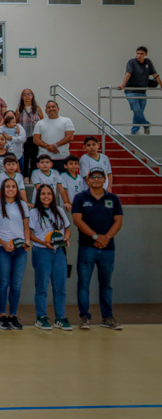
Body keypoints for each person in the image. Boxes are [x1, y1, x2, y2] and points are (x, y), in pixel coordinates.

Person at [71, 167, 124, 330]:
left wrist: (105, 238)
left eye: (100, 176)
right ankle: (84, 317)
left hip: (107, 249)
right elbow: (78, 221)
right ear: (87, 180)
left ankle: (107, 318)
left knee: (106, 285)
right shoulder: (80, 198)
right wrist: (96, 237)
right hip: (88, 248)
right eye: (92, 177)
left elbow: (118, 221)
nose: (96, 179)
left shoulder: (113, 199)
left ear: (104, 179)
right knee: (84, 284)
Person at [29, 184, 72, 331]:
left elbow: (67, 228)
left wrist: (66, 238)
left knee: (60, 285)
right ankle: (41, 317)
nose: (46, 196)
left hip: (59, 251)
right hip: (42, 251)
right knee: (42, 286)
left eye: (49, 193)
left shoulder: (59, 210)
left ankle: (60, 317)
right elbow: (29, 234)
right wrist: (42, 242)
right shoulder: (34, 212)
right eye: (43, 194)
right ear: (38, 197)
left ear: (53, 196)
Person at [0, 178, 31, 330]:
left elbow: (26, 227)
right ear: (2, 189)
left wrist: (27, 241)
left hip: (20, 249)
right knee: (3, 283)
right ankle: (2, 316)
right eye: (7, 186)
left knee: (16, 285)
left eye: (13, 186)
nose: (10, 189)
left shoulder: (23, 206)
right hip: (2, 249)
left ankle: (13, 316)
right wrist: (3, 243)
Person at [118, 45, 160, 134]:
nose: (139, 55)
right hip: (131, 91)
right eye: (137, 53)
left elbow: (155, 75)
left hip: (142, 91)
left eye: (141, 54)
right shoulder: (132, 62)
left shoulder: (148, 62)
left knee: (139, 112)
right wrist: (123, 85)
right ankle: (146, 124)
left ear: (146, 54)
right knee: (136, 110)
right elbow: (128, 73)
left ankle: (134, 130)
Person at [32, 100, 75, 169]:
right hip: (44, 159)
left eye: (53, 107)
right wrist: (48, 147)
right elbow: (36, 139)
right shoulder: (39, 123)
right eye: (48, 107)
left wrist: (55, 145)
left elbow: (69, 137)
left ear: (58, 109)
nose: (51, 109)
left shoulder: (66, 121)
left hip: (62, 157)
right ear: (46, 111)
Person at [17, 88, 44, 178]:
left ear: (32, 96)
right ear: (22, 97)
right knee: (25, 157)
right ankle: (25, 177)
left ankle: (33, 176)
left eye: (29, 94)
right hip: (24, 137)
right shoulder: (19, 110)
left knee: (34, 157)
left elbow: (43, 122)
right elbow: (16, 123)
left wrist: (38, 123)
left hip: (34, 136)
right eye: (25, 94)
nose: (27, 96)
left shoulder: (37, 109)